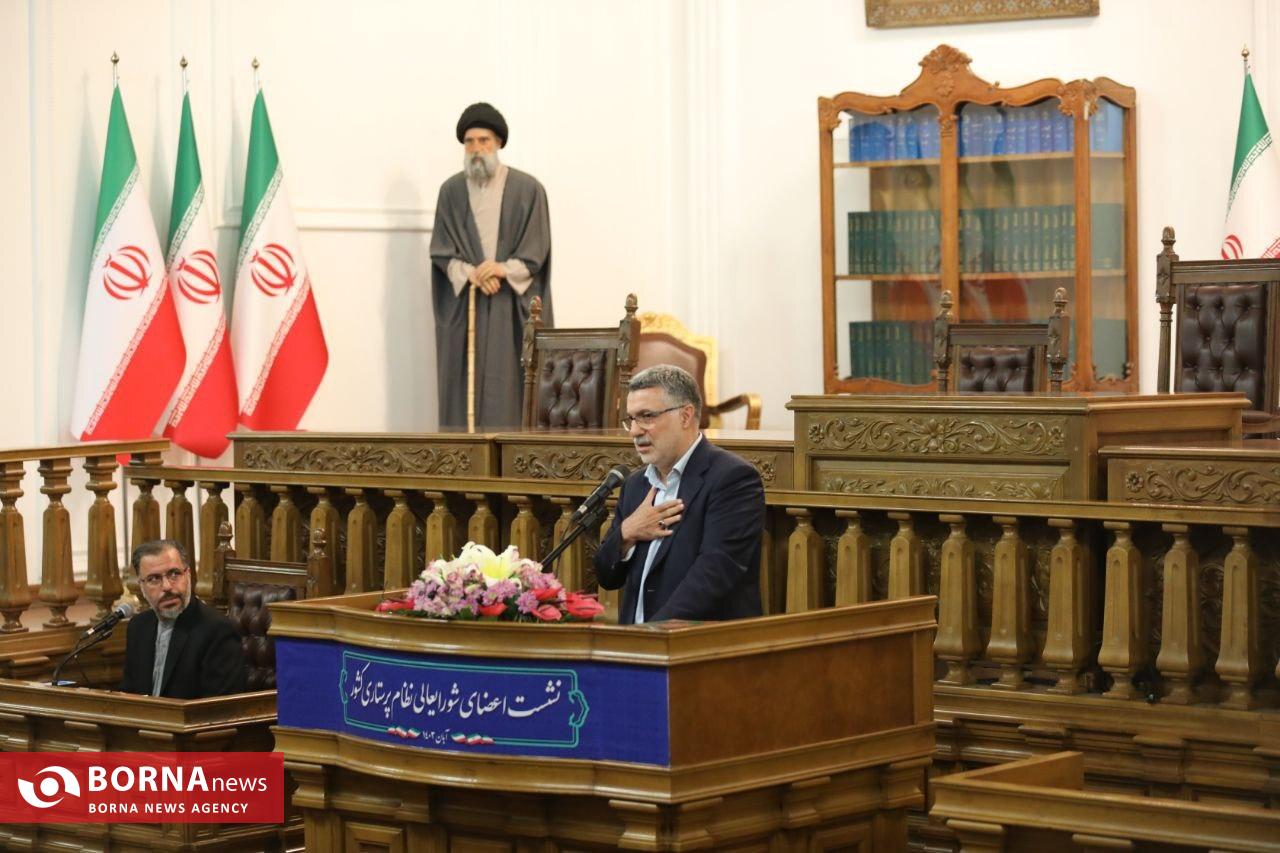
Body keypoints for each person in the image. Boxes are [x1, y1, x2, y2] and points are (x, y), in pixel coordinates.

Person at [595, 365, 765, 624]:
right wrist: (626, 533)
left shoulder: (732, 479)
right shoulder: (636, 485)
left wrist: (652, 634)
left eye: (647, 416)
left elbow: (713, 575)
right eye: (631, 419)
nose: (634, 431)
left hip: (698, 642)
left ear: (685, 416)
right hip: (635, 642)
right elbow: (607, 577)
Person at [429, 102, 552, 429]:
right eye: (469, 142)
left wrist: (501, 269)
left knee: (512, 383)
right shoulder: (451, 192)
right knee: (463, 389)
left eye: (483, 140)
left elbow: (536, 250)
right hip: (467, 305)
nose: (476, 149)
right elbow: (441, 251)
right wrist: (472, 273)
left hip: (510, 304)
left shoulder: (528, 190)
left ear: (498, 143)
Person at [120, 539, 246, 699]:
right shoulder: (138, 627)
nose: (167, 586)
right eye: (154, 579)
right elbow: (128, 695)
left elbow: (219, 707)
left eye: (174, 574)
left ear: (188, 575)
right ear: (141, 587)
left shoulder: (217, 631)